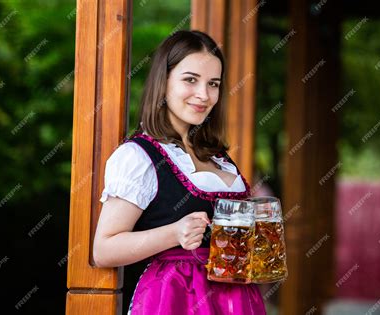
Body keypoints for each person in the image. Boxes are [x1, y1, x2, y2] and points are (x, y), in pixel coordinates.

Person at [93, 30, 266, 315]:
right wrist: (175, 233)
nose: (204, 95)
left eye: (213, 84)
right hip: (176, 301)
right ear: (164, 83)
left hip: (236, 301)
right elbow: (104, 250)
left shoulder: (219, 157)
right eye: (190, 80)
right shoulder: (139, 156)